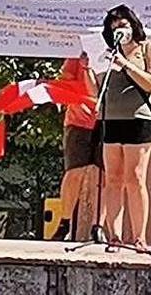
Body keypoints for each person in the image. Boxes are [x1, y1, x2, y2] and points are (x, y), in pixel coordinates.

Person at [94, 5, 151, 254]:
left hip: (139, 119)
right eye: (113, 27)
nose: (118, 31)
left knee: (135, 178)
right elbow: (99, 90)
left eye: (122, 25)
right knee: (112, 178)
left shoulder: (148, 49)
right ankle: (114, 236)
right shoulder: (108, 54)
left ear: (133, 26)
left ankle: (139, 237)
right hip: (111, 119)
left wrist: (124, 63)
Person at [51, 54, 105, 242]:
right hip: (78, 120)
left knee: (106, 176)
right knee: (75, 172)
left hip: (109, 120)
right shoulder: (79, 54)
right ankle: (64, 222)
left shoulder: (122, 54)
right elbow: (64, 82)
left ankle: (99, 226)